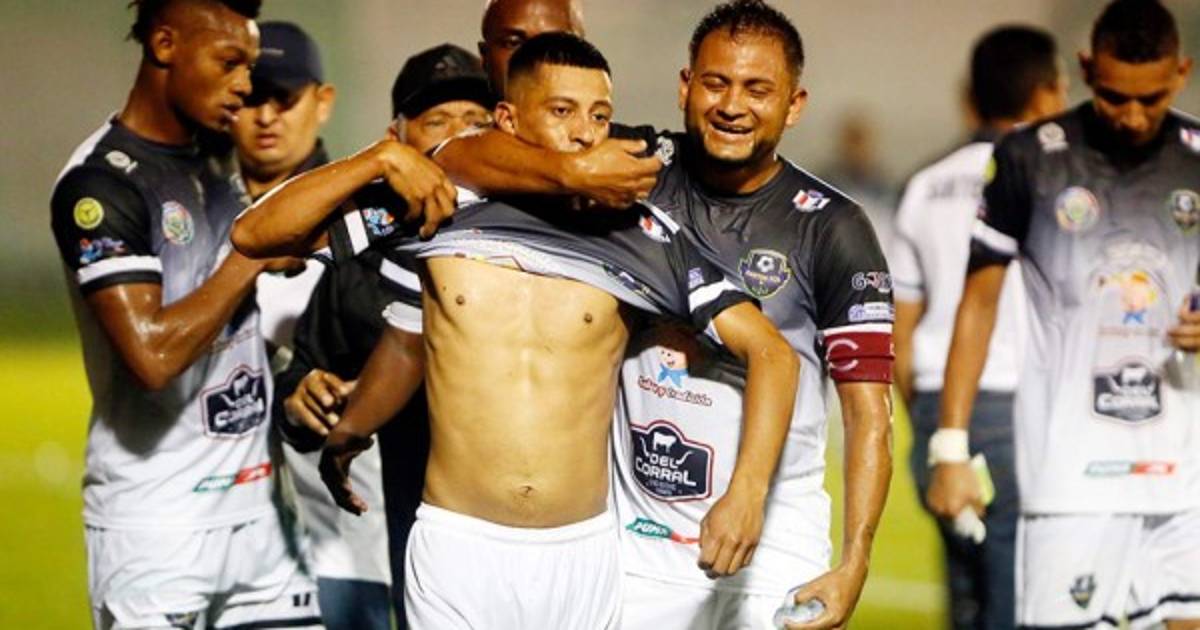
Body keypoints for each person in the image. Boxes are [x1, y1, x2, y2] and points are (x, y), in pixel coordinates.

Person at [232, 32, 800, 629]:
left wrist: (747, 492)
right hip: (456, 548)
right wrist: (377, 160)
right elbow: (256, 235)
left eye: (599, 115)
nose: (584, 133)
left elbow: (772, 353)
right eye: (562, 111)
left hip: (581, 554)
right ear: (507, 119)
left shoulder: (641, 235)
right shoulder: (438, 206)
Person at [433, 2, 894, 627]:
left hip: (773, 543)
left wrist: (854, 558)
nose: (732, 105)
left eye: (757, 89)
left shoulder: (833, 227)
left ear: (794, 104)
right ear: (685, 86)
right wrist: (567, 169)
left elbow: (868, 414)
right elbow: (463, 157)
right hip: (634, 551)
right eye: (715, 83)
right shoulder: (629, 172)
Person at [926, 1, 1200, 627]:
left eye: (1152, 98)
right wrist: (950, 446)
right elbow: (978, 305)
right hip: (1070, 480)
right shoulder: (1030, 160)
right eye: (1114, 96)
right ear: (1085, 69)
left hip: (1184, 478)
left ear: (1181, 73)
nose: (1133, 115)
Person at [47, 1, 321, 628]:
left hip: (264, 523)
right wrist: (250, 256)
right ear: (166, 45)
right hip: (158, 531)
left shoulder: (218, 155)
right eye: (229, 63)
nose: (246, 86)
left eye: (250, 66)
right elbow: (153, 356)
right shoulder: (101, 185)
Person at [264, 42, 496, 627]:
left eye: (475, 120)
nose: (457, 137)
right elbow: (303, 373)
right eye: (436, 121)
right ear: (398, 138)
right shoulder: (365, 260)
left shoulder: (542, 238)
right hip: (411, 536)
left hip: (536, 533)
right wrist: (301, 400)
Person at [890, 25, 1066, 630]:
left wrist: (929, 417)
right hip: (1021, 407)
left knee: (965, 596)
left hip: (939, 409)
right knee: (1019, 598)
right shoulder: (1054, 179)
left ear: (971, 96)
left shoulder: (923, 186)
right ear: (1046, 94)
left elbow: (899, 330)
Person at [229, 21, 392, 630]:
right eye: (252, 97)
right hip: (220, 538)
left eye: (285, 97)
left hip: (340, 540)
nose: (267, 115)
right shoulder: (198, 215)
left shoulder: (366, 224)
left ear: (323, 102)